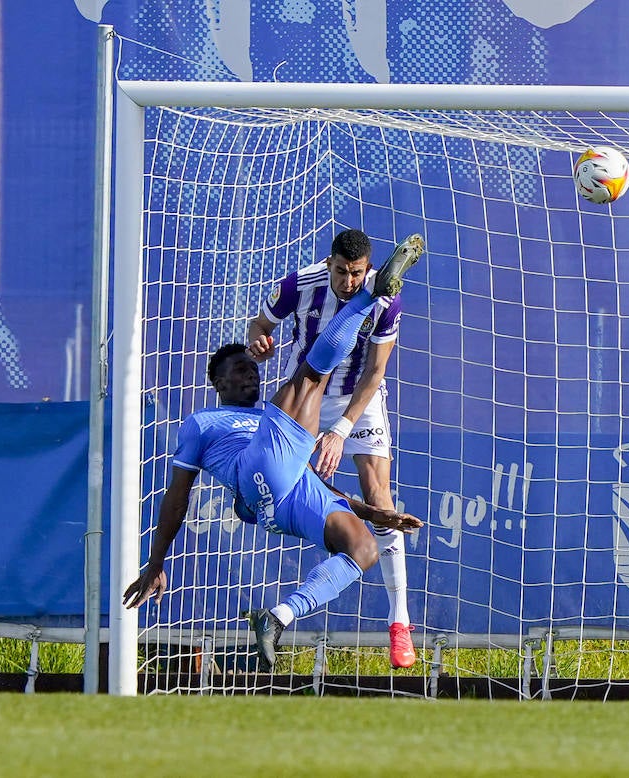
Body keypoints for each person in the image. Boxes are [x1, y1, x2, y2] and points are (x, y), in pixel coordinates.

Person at [122, 234, 427, 673]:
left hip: (284, 498)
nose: (250, 376)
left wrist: (368, 512)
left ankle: (278, 617)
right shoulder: (204, 423)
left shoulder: (266, 415)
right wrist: (156, 561)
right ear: (218, 384)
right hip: (260, 472)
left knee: (362, 547)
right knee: (309, 378)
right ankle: (367, 301)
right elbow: (177, 496)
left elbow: (311, 473)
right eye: (239, 372)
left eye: (251, 370)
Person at [246, 228, 419, 669]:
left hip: (358, 401)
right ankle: (287, 608)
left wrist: (341, 430)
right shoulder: (299, 284)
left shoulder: (386, 295)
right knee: (268, 495)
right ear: (328, 264)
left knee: (380, 496)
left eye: (357, 273)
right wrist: (259, 343)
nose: (348, 281)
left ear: (368, 269)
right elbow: (260, 327)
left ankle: (399, 623)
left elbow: (375, 372)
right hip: (305, 397)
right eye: (341, 272)